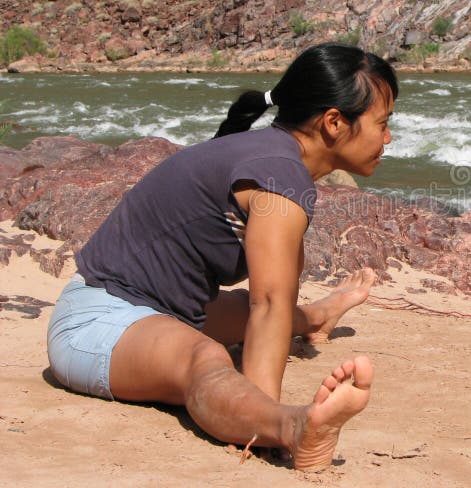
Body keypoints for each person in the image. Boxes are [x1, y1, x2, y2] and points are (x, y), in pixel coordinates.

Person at [47, 43, 398, 471]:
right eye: (382, 123)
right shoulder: (278, 174)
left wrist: (282, 319)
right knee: (207, 358)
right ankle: (294, 428)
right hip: (94, 323)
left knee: (240, 311)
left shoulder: (276, 159)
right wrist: (267, 417)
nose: (387, 137)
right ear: (333, 123)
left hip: (160, 309)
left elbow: (273, 300)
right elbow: (267, 303)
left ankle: (316, 318)